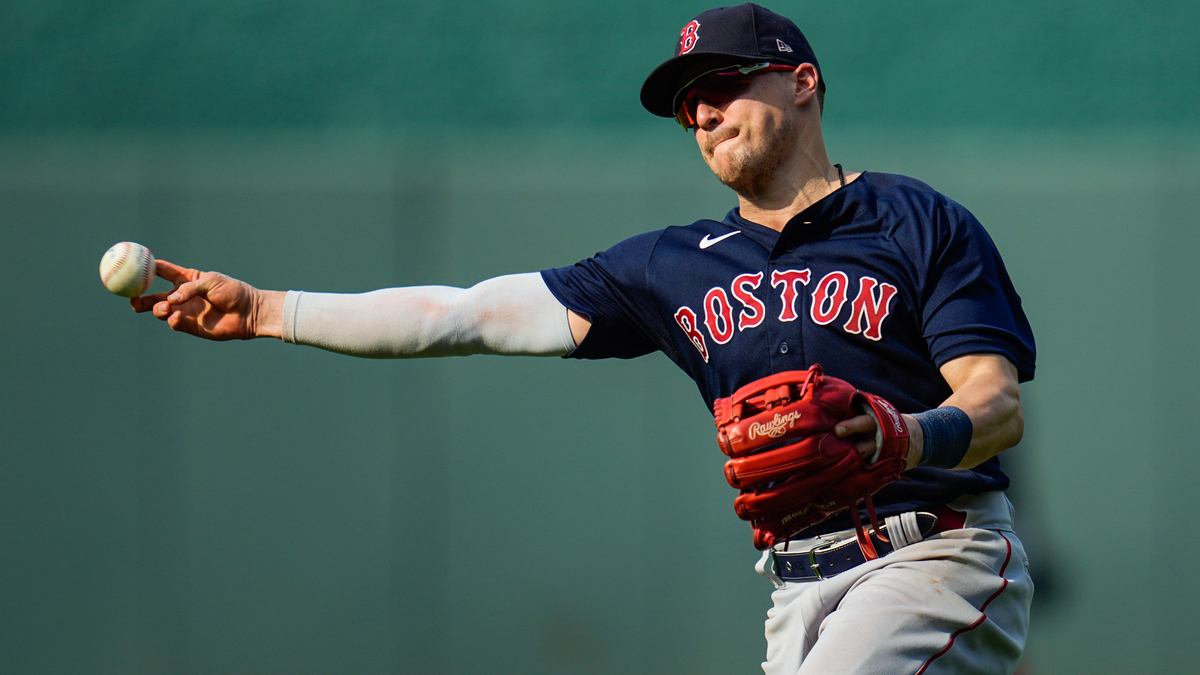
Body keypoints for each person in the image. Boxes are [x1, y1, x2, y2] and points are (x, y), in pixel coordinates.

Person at [132, 4, 1035, 673]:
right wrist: (266, 310)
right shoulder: (671, 265)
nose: (703, 114)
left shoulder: (913, 219)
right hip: (796, 589)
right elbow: (469, 313)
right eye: (687, 107)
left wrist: (908, 434)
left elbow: (994, 406)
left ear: (802, 83)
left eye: (719, 86)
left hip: (935, 553)